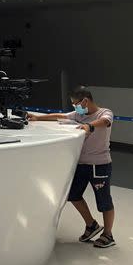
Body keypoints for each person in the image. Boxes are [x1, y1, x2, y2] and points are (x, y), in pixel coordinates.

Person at [28, 86, 116, 248]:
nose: (75, 108)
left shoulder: (104, 112)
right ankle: (92, 225)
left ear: (85, 101)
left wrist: (90, 126)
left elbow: (105, 122)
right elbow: (59, 116)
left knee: (104, 201)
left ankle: (108, 234)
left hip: (99, 165)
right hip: (81, 164)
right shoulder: (77, 114)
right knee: (73, 195)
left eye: (76, 104)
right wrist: (37, 117)